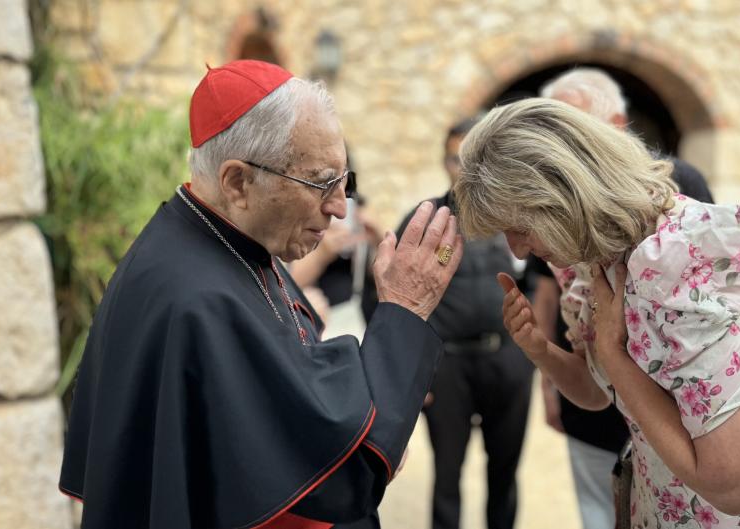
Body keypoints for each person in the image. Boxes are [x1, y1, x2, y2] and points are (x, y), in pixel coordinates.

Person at [58, 60, 464, 529]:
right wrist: (405, 308)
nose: (339, 206)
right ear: (238, 183)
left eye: (344, 181)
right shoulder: (196, 298)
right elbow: (336, 480)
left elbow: (286, 376)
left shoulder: (226, 239)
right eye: (321, 183)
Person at [454, 98, 740, 528]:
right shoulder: (589, 256)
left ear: (564, 194)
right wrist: (541, 350)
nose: (517, 249)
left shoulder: (689, 259)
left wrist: (616, 357)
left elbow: (735, 484)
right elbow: (599, 394)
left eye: (518, 228)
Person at [531, 67, 715, 529]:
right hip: (590, 395)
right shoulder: (553, 197)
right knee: (599, 513)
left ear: (615, 126)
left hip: (669, 410)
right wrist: (550, 380)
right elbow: (547, 286)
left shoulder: (678, 183)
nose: (560, 147)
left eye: (572, 128)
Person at [402, 117, 534, 529]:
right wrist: (410, 371)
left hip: (508, 361)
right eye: (453, 158)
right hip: (447, 368)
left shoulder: (519, 217)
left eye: (470, 159)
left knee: (505, 472)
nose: (461, 169)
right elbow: (386, 297)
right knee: (447, 474)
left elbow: (549, 283)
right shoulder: (425, 221)